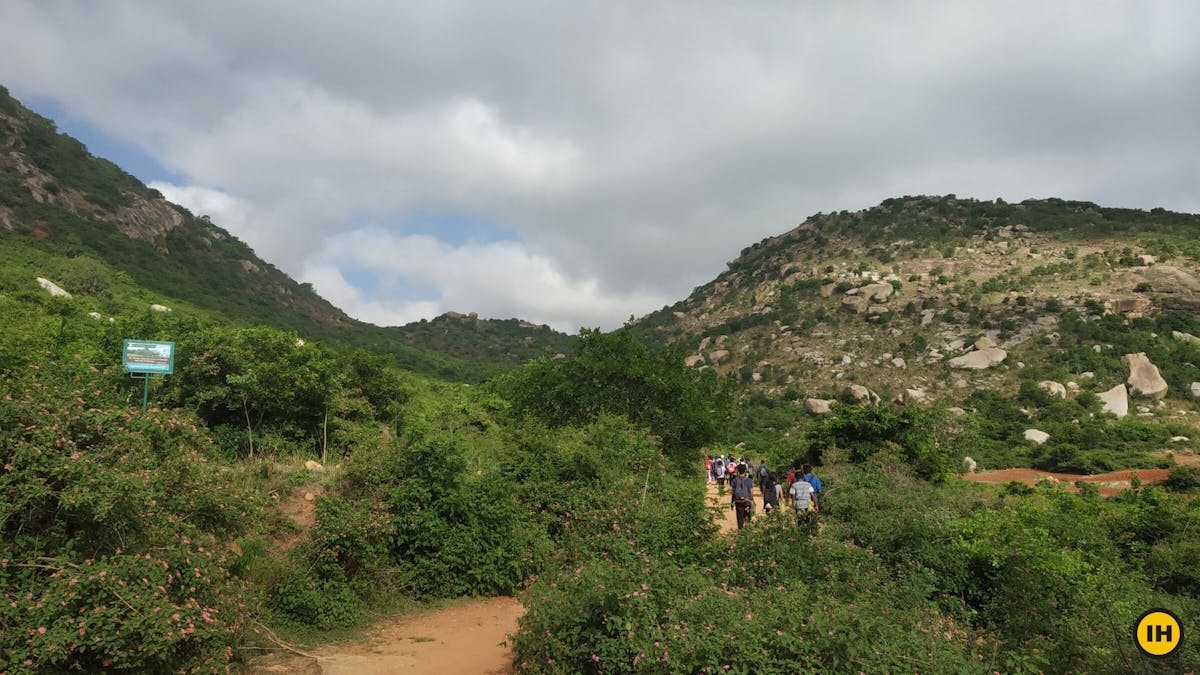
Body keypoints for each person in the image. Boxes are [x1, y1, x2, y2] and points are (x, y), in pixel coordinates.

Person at [730, 464, 755, 529]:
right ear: (745, 471)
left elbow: (733, 492)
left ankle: (740, 530)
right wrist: (751, 501)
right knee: (747, 516)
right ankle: (746, 531)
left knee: (739, 517)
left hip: (738, 501)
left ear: (737, 470)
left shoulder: (734, 480)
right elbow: (751, 493)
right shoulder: (749, 480)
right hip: (747, 501)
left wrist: (732, 503)